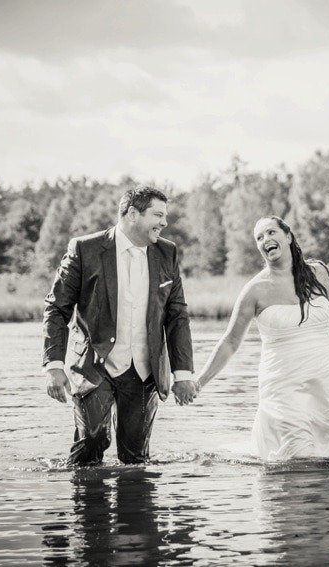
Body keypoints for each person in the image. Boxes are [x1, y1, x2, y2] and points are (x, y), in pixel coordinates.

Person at [42, 185, 198, 465]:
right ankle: (87, 501)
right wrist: (54, 366)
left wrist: (183, 373)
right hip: (94, 365)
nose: (164, 222)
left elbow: (177, 315)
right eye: (158, 215)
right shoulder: (84, 249)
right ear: (133, 214)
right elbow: (56, 308)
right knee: (93, 437)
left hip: (143, 370)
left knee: (135, 457)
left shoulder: (167, 253)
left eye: (165, 216)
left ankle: (135, 506)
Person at [191, 216, 329, 461]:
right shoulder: (255, 290)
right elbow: (230, 342)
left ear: (288, 236)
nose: (266, 240)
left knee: (323, 459)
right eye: (259, 238)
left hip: (326, 383)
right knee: (297, 455)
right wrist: (199, 382)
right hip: (284, 385)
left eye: (271, 232)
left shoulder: (319, 273)